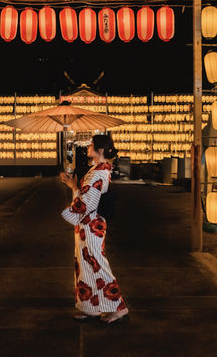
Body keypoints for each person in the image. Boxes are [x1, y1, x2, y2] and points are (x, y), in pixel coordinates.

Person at [59, 132, 129, 324]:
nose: (87, 147)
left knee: (96, 263)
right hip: (88, 224)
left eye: (91, 145)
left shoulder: (98, 172)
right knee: (86, 265)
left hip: (91, 225)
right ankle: (90, 307)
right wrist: (73, 185)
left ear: (100, 150)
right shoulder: (98, 169)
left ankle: (119, 307)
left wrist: (73, 195)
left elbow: (88, 202)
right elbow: (87, 195)